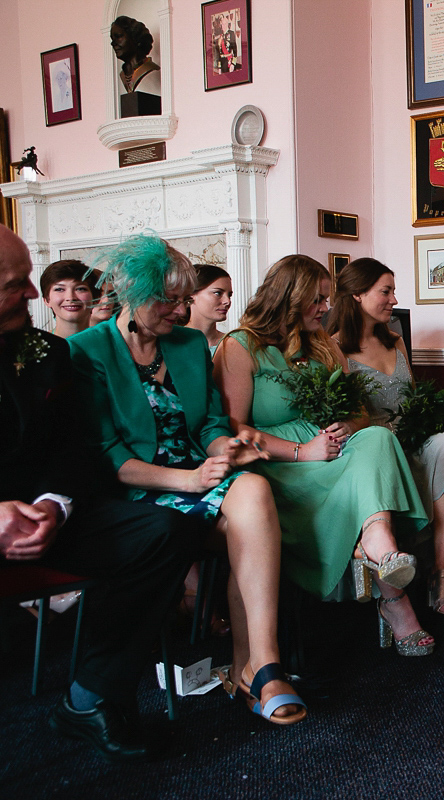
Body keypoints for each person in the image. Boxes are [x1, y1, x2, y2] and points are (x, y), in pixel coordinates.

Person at [69, 234, 307, 726]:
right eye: (168, 300)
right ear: (132, 293)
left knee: (255, 487)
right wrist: (191, 480)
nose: (180, 311)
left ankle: (262, 663)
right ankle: (255, 676)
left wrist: (227, 449)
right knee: (248, 516)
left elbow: (210, 426)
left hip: (202, 474)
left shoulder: (189, 344)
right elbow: (109, 458)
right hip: (140, 491)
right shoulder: (86, 352)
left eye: (184, 300)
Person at [1, 226, 196, 762]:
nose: (34, 296)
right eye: (16, 284)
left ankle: (90, 695)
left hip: (45, 518)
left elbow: (71, 452)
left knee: (163, 530)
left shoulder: (46, 353)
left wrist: (50, 505)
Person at [212, 255, 434, 655]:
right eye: (318, 299)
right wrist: (302, 451)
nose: (327, 308)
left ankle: (376, 539)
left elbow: (358, 411)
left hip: (331, 452)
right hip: (277, 467)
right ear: (289, 297)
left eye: (327, 299)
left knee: (379, 439)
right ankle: (396, 602)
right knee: (365, 466)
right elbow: (235, 430)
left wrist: (348, 426)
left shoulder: (323, 346)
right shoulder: (239, 346)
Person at [327, 257, 444, 616]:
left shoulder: (396, 341)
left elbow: (412, 401)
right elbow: (345, 416)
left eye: (392, 291)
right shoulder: (334, 348)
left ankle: (442, 572)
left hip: (414, 439)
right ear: (357, 295)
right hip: (379, 453)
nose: (393, 299)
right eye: (385, 291)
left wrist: (431, 419)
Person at [40, 259, 96, 338]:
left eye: (80, 289)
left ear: (95, 298)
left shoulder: (110, 344)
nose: (70, 297)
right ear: (47, 300)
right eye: (59, 289)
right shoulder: (34, 347)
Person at [185, 264, 233, 352]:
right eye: (218, 293)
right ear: (191, 295)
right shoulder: (173, 343)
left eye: (229, 295)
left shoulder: (234, 344)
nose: (227, 301)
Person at [109, 16, 160, 94]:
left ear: (135, 37)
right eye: (112, 39)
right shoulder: (123, 75)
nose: (113, 43)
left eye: (118, 36)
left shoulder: (151, 70)